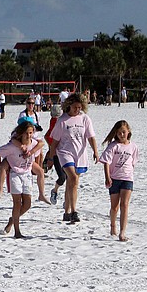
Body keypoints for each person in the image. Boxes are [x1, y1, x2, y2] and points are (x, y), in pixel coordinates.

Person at [45, 93, 98, 223]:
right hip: (64, 153)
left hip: (79, 153)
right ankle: (74, 211)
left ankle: (66, 212)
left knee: (72, 182)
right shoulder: (62, 121)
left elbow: (90, 137)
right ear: (69, 106)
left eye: (80, 107)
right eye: (75, 107)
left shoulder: (85, 119)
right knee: (72, 177)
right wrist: (51, 157)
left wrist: (95, 151)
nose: (77, 110)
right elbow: (54, 142)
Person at [0, 121, 41, 238]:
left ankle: (12, 220)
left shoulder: (33, 143)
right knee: (17, 203)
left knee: (27, 204)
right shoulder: (12, 146)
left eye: (31, 133)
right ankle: (17, 231)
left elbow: (41, 144)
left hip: (27, 174)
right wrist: (0, 165)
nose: (29, 135)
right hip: (14, 174)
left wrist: (31, 152)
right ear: (20, 134)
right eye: (26, 133)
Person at [99, 120, 138, 241]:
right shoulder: (113, 146)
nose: (121, 135)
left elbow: (133, 163)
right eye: (119, 133)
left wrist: (130, 173)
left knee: (124, 205)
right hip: (114, 179)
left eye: (123, 132)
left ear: (128, 132)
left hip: (127, 178)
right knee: (114, 207)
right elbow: (106, 162)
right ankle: (112, 226)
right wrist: (107, 177)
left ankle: (122, 232)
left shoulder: (133, 147)